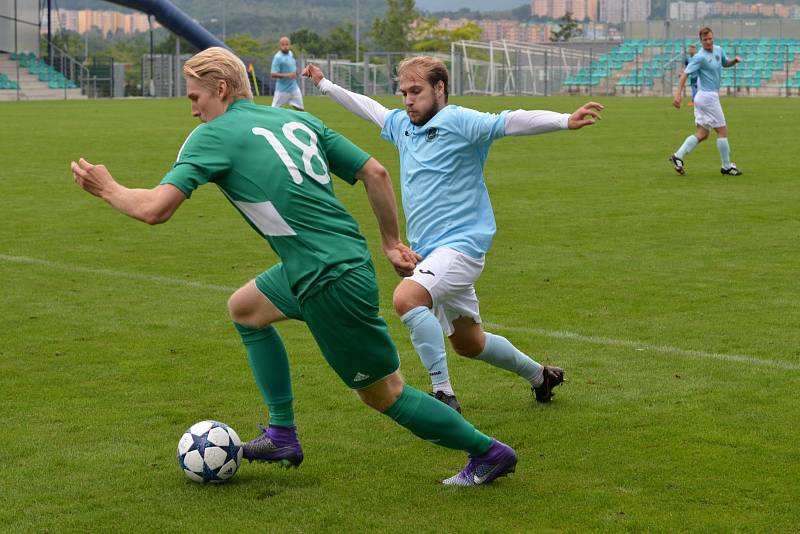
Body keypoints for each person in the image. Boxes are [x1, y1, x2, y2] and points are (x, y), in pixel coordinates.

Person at [70, 47, 517, 487]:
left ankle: (488, 452)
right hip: (327, 260)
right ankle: (282, 434)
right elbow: (375, 173)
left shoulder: (212, 134)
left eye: (194, 98)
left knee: (384, 393)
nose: (192, 110)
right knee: (246, 309)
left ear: (221, 90)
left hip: (327, 278)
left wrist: (107, 188)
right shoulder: (297, 119)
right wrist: (390, 242)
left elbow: (155, 209)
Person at [303, 56, 603, 412]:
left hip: (462, 247)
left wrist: (564, 120)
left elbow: (510, 120)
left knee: (406, 299)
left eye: (416, 91)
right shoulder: (402, 124)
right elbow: (369, 108)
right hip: (429, 253)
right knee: (469, 344)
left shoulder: (458, 120)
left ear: (439, 88)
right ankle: (541, 377)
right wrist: (325, 85)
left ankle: (443, 393)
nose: (408, 100)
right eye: (404, 93)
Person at [670, 27, 743, 176]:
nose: (708, 42)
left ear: (713, 37)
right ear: (701, 41)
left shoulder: (718, 50)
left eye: (710, 38)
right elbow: (684, 75)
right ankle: (727, 166)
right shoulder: (699, 57)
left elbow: (724, 63)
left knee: (703, 133)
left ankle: (678, 156)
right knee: (722, 131)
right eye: (705, 40)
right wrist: (678, 95)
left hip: (704, 98)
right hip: (708, 97)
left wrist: (734, 61)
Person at [271, 36, 304, 110]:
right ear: (279, 46)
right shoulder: (277, 57)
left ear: (290, 45)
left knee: (301, 110)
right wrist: (287, 75)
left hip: (293, 88)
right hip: (282, 90)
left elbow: (292, 68)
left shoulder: (290, 54)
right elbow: (273, 74)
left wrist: (296, 72)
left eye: (287, 44)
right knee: (274, 111)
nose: (285, 46)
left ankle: (302, 122)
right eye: (283, 44)